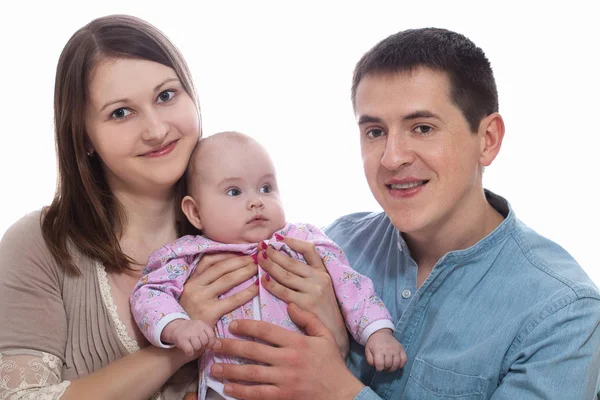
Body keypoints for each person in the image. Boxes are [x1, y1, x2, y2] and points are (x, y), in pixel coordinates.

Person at [203, 28, 600, 399]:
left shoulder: (563, 313)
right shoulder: (328, 247)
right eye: (375, 132)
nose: (392, 159)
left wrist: (339, 388)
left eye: (422, 128)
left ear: (488, 140)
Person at [0, 15, 348, 400]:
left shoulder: (253, 228)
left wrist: (336, 335)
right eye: (120, 112)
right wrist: (175, 343)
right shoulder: (39, 244)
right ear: (84, 137)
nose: (156, 129)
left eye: (166, 96)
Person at [130, 131, 406, 399]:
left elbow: (351, 284)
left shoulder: (303, 240)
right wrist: (177, 325)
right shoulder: (188, 253)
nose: (256, 202)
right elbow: (149, 292)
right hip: (225, 388)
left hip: (305, 384)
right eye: (234, 191)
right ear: (195, 212)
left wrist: (378, 333)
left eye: (266, 188)